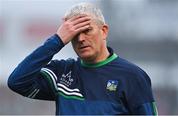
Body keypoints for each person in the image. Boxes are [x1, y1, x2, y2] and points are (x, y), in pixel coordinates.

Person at [8, 2, 158, 115]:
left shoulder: (132, 76)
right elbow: (17, 82)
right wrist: (57, 40)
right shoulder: (62, 73)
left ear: (104, 31)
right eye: (74, 33)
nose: (80, 38)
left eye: (87, 30)